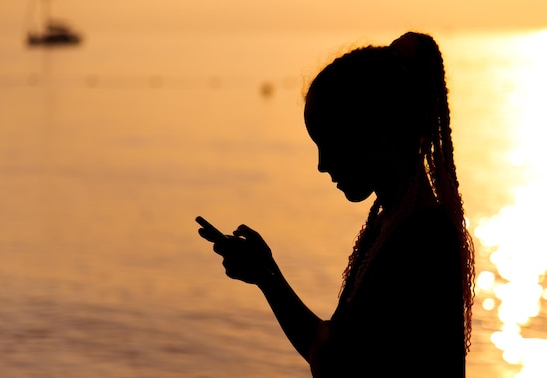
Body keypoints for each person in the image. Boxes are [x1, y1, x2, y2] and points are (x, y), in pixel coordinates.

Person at [196, 31, 475, 377]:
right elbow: (337, 350)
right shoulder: (392, 225)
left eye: (330, 143)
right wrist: (265, 274)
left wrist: (268, 278)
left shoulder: (419, 237)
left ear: (379, 131)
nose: (322, 164)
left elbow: (336, 360)